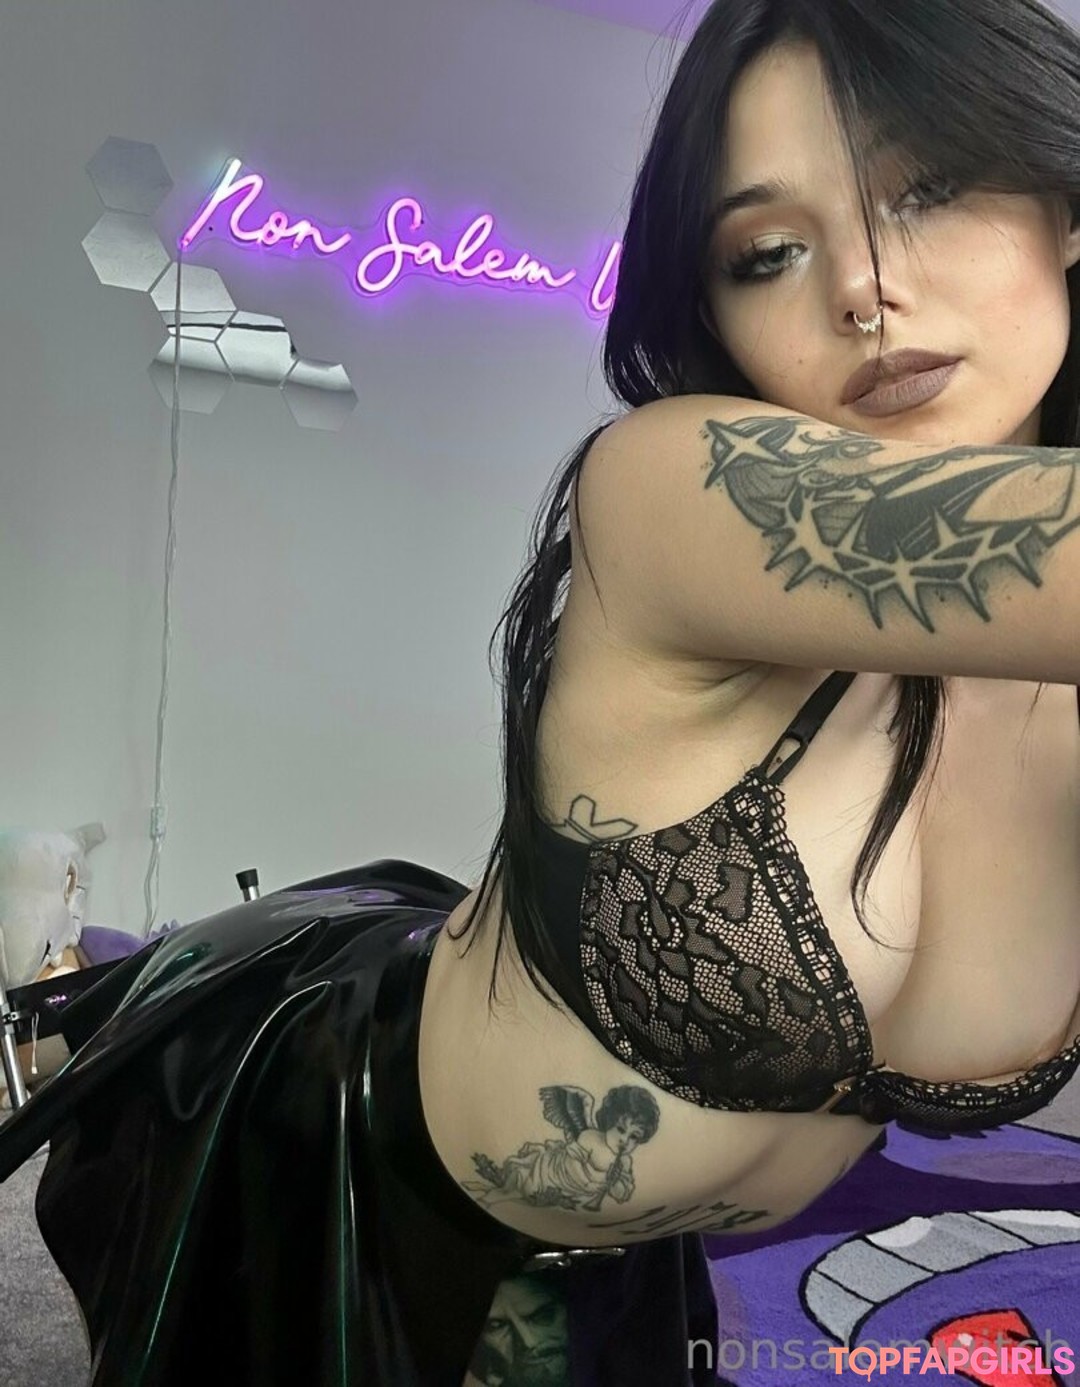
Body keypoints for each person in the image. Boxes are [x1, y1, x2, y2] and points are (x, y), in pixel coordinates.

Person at [5, 0, 1080, 1382]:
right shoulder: (673, 486)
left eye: (927, 191)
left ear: (1064, 203)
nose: (864, 288)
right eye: (767, 252)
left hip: (634, 1269)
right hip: (342, 1159)